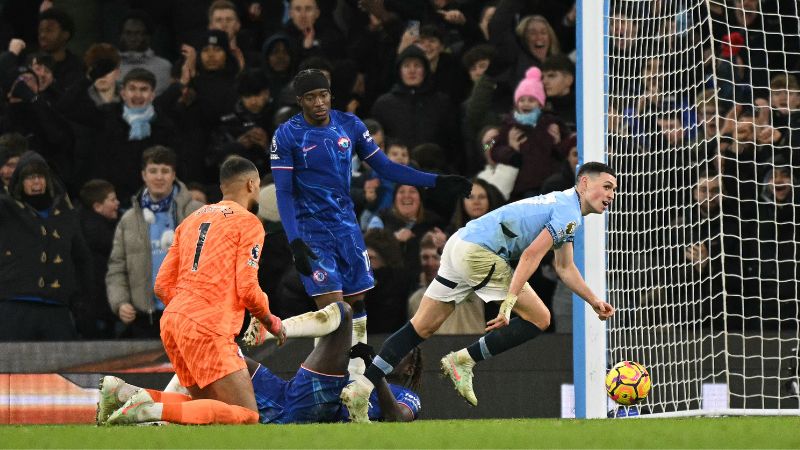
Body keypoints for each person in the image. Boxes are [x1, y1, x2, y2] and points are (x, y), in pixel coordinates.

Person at [341, 162, 618, 422]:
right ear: (583, 183)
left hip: (459, 244)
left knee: (421, 327)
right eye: (606, 186)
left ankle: (361, 388)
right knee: (540, 318)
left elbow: (565, 267)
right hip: (479, 253)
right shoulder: (568, 211)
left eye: (614, 189)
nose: (611, 194)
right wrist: (509, 302)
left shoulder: (562, 205)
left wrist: (593, 300)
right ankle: (462, 360)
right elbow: (531, 255)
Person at [271, 68, 472, 376]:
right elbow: (284, 192)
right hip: (311, 231)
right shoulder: (286, 135)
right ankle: (279, 338)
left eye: (323, 95)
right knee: (335, 313)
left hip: (347, 227)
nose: (319, 103)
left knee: (357, 303)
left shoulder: (349, 124)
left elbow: (385, 167)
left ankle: (356, 377)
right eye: (311, 98)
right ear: (300, 101)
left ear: (330, 95)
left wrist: (435, 181)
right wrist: (295, 240)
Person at [100, 156, 284, 425]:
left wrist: (190, 311)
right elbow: (247, 287)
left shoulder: (191, 220)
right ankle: (148, 408)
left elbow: (162, 284)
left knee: (208, 410)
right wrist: (271, 321)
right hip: (208, 325)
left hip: (174, 322)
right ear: (251, 184)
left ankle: (125, 393)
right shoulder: (248, 222)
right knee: (247, 418)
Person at [99, 303, 421, 424]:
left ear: (409, 369)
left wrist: (375, 377)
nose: (391, 354)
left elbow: (398, 417)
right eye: (392, 348)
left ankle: (273, 330)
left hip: (312, 408)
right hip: (286, 397)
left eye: (401, 354)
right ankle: (129, 394)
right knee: (221, 355)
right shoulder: (354, 372)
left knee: (345, 314)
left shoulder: (407, 397)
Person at [105, 146, 203, 338]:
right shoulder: (128, 220)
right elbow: (117, 267)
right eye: (153, 171)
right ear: (144, 175)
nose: (159, 177)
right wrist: (120, 302)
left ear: (174, 175)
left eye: (165, 171)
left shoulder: (199, 213)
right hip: (144, 321)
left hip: (189, 319)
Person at [0, 151, 92, 341]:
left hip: (57, 307)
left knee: (63, 369)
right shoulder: (6, 210)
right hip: (14, 305)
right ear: (19, 182)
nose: (36, 182)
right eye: (29, 177)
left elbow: (82, 259)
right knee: (12, 369)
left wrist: (83, 299)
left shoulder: (66, 215)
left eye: (40, 176)